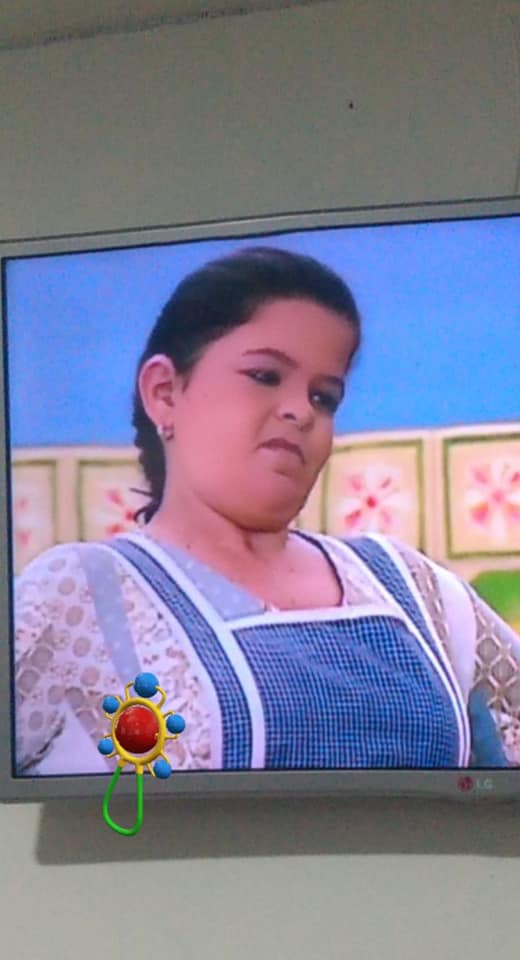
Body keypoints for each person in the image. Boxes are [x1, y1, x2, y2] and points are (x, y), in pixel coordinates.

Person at [14, 246, 520, 776]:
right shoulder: (82, 596)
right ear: (163, 393)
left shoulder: (413, 589)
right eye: (265, 376)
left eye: (324, 397)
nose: (301, 411)